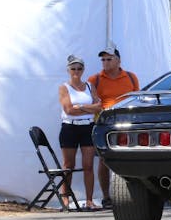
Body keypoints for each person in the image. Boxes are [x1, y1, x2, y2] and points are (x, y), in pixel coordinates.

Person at [88, 45, 140, 208]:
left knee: (133, 157)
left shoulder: (131, 77)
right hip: (106, 124)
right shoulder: (94, 80)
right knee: (104, 160)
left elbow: (137, 99)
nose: (105, 62)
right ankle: (106, 197)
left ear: (118, 61)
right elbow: (93, 102)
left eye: (109, 59)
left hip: (128, 123)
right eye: (103, 59)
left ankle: (137, 194)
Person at [59, 55, 102, 210]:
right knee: (68, 165)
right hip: (70, 127)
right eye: (73, 68)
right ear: (68, 70)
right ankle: (65, 199)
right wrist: (88, 108)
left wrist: (81, 107)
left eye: (79, 68)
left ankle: (89, 200)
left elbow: (99, 107)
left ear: (83, 70)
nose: (76, 71)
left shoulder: (90, 86)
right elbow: (69, 110)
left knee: (88, 165)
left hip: (87, 127)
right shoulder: (64, 87)